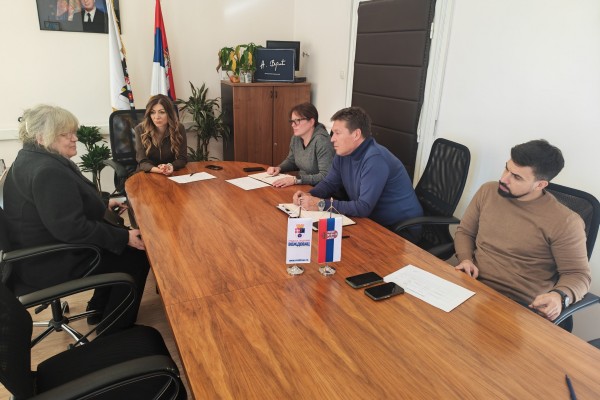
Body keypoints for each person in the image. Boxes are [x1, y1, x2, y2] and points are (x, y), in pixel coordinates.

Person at [3, 104, 150, 333]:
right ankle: (114, 329)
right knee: (135, 256)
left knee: (119, 244)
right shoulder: (47, 171)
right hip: (50, 260)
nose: (75, 139)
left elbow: (61, 205)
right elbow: (72, 228)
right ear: (42, 137)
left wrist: (103, 203)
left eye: (73, 132)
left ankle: (98, 308)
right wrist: (124, 238)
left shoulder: (30, 158)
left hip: (37, 253)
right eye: (66, 134)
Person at [454, 139, 591, 328]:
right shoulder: (488, 191)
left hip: (519, 308)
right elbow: (465, 232)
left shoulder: (566, 222)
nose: (504, 179)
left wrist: (559, 296)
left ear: (540, 184)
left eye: (517, 177)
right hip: (471, 285)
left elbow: (578, 274)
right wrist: (466, 259)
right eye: (506, 168)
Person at [292, 106, 423, 234]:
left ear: (356, 134)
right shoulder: (343, 153)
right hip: (372, 222)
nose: (332, 139)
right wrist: (308, 195)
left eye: (337, 133)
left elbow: (363, 207)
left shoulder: (375, 159)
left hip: (400, 230)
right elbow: (329, 183)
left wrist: (320, 204)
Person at [266, 103, 334, 188]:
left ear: (311, 122)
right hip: (302, 185)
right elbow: (292, 160)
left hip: (320, 189)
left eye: (297, 121)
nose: (293, 125)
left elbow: (326, 175)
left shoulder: (322, 141)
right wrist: (279, 168)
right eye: (292, 121)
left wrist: (296, 180)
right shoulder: (296, 138)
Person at [135, 94, 187, 176]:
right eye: (152, 112)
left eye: (162, 112)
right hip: (147, 173)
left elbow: (182, 158)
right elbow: (142, 161)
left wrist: (170, 166)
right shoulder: (140, 129)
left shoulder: (179, 128)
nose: (156, 117)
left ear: (169, 113)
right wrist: (159, 170)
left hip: (170, 173)